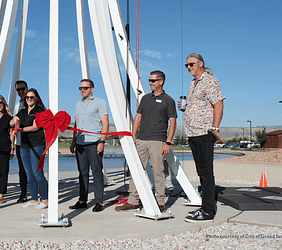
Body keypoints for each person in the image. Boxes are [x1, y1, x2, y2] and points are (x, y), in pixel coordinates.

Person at [115, 70, 177, 213]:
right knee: (136, 170)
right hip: (142, 140)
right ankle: (133, 201)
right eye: (149, 80)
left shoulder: (169, 100)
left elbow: (173, 123)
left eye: (153, 81)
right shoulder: (145, 99)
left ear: (161, 82)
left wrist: (167, 142)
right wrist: (133, 136)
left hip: (158, 141)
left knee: (158, 172)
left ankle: (160, 202)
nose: (150, 83)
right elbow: (138, 118)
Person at [180, 53, 225, 223]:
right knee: (201, 172)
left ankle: (208, 211)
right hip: (193, 133)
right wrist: (185, 109)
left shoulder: (209, 81)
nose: (189, 67)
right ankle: (204, 205)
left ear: (201, 64)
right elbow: (200, 106)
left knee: (206, 172)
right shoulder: (193, 84)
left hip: (204, 133)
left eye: (191, 64)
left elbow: (218, 103)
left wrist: (214, 128)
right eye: (187, 65)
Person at [69, 79, 109, 212]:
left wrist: (102, 141)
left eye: (85, 88)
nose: (82, 90)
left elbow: (105, 123)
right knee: (82, 173)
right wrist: (73, 142)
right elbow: (76, 124)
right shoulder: (78, 104)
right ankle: (82, 200)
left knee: (97, 173)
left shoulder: (100, 103)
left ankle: (99, 202)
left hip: (94, 142)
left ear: (92, 89)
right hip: (80, 143)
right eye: (80, 88)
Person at [14, 88, 48, 210]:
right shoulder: (22, 112)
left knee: (37, 173)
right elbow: (14, 120)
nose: (29, 99)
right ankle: (33, 199)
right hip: (24, 145)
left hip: (37, 144)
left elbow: (35, 127)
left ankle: (44, 199)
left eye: (31, 97)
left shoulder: (40, 111)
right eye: (27, 97)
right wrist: (11, 119)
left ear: (36, 98)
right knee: (29, 174)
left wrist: (20, 130)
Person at [13, 80, 29, 203]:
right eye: (18, 90)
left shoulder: (33, 102)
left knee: (34, 169)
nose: (20, 92)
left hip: (32, 140)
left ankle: (38, 192)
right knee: (22, 169)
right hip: (20, 142)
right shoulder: (17, 105)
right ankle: (23, 193)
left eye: (22, 89)